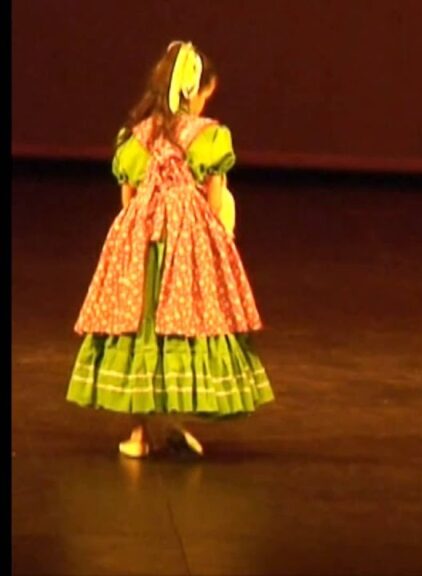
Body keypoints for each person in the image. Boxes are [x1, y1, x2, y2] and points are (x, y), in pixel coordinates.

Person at [66, 41, 273, 458]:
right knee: (183, 321)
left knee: (142, 323)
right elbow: (214, 201)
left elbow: (127, 200)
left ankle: (142, 434)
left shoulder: (135, 138)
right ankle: (171, 418)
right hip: (187, 237)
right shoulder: (207, 136)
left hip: (140, 241)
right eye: (203, 94)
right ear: (192, 91)